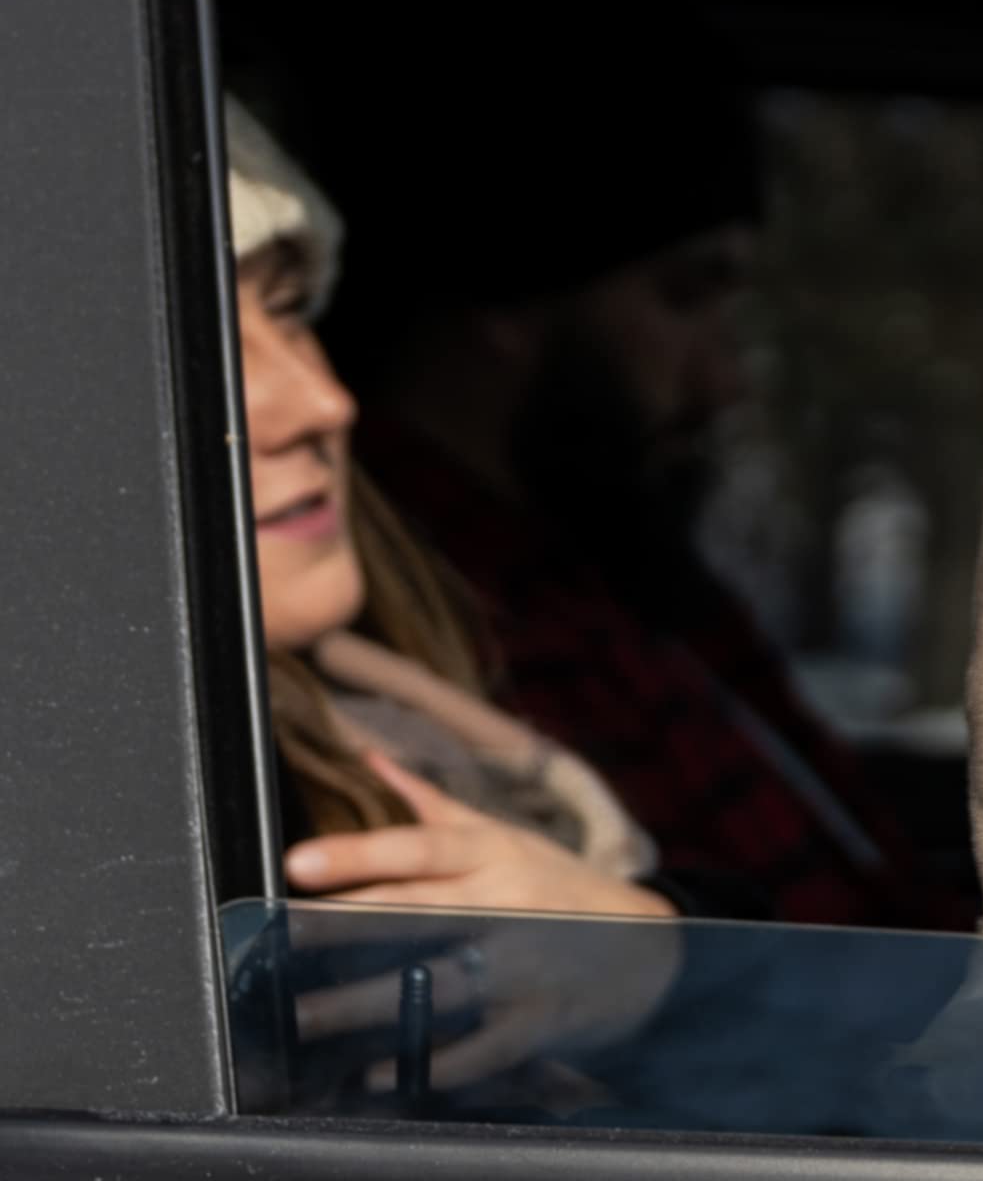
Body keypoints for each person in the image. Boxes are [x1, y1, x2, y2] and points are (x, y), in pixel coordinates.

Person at [303, 9, 953, 929]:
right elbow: (644, 974)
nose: (724, 382)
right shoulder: (429, 616)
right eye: (684, 296)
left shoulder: (617, 564)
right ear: (513, 288)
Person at [231, 99, 672, 922]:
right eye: (204, 336)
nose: (323, 401)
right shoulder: (225, 817)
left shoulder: (407, 693)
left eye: (290, 309)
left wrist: (649, 945)